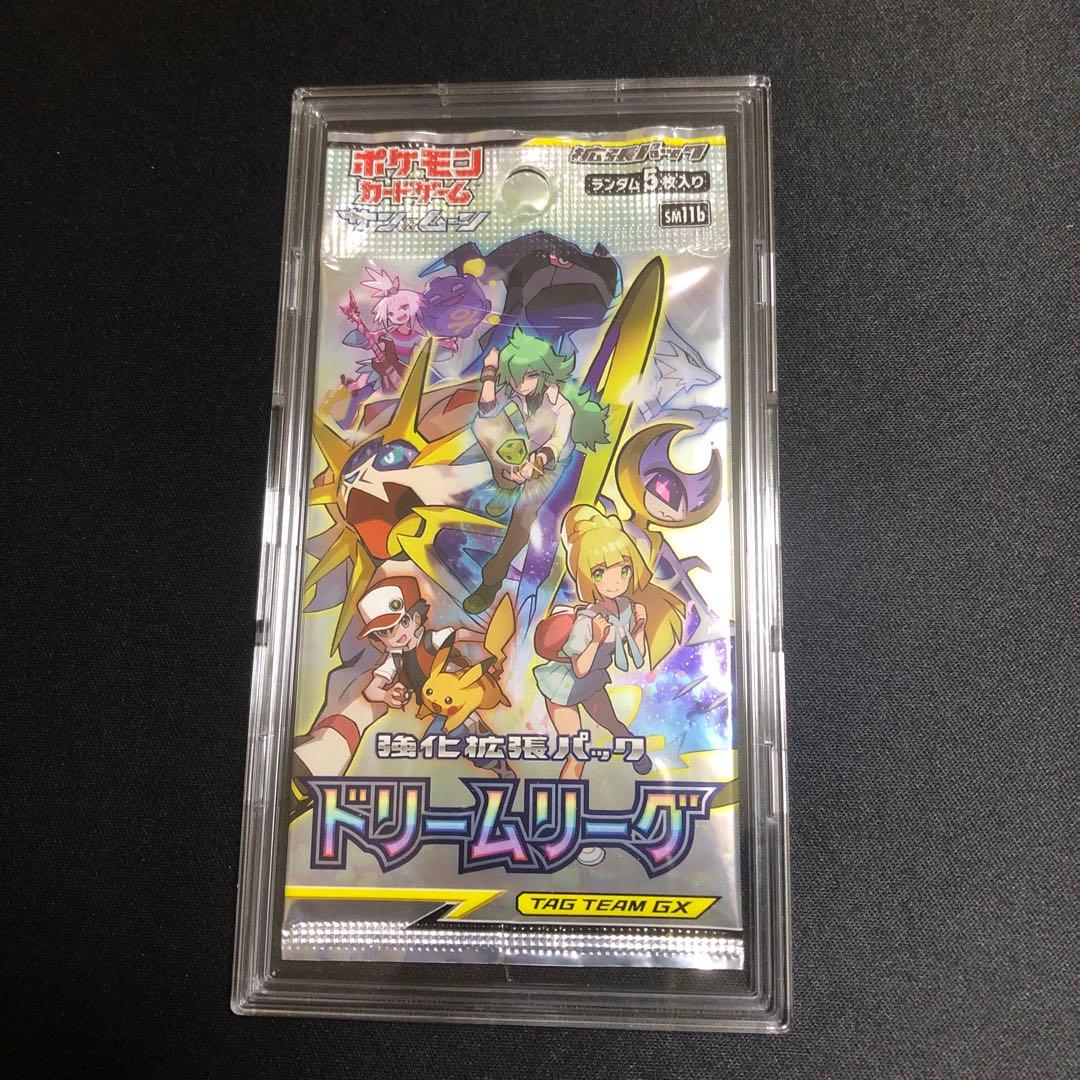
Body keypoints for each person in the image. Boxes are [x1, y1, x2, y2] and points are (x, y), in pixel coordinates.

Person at [533, 505, 686, 782]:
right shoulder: (586, 620)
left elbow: (636, 658)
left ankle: (635, 754)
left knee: (616, 726)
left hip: (591, 682)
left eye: (623, 570)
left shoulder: (627, 608)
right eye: (600, 573)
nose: (614, 582)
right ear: (587, 577)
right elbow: (578, 668)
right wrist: (595, 640)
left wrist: (639, 628)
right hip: (562, 687)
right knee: (577, 752)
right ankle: (566, 802)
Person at [463, 329, 609, 614]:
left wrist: (536, 463)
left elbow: (557, 442)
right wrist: (490, 371)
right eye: (516, 377)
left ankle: (492, 577)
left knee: (523, 517)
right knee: (482, 426)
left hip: (549, 463)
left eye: (529, 376)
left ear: (543, 373)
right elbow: (487, 410)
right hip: (523, 448)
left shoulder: (561, 406)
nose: (521, 384)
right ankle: (506, 485)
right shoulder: (515, 390)